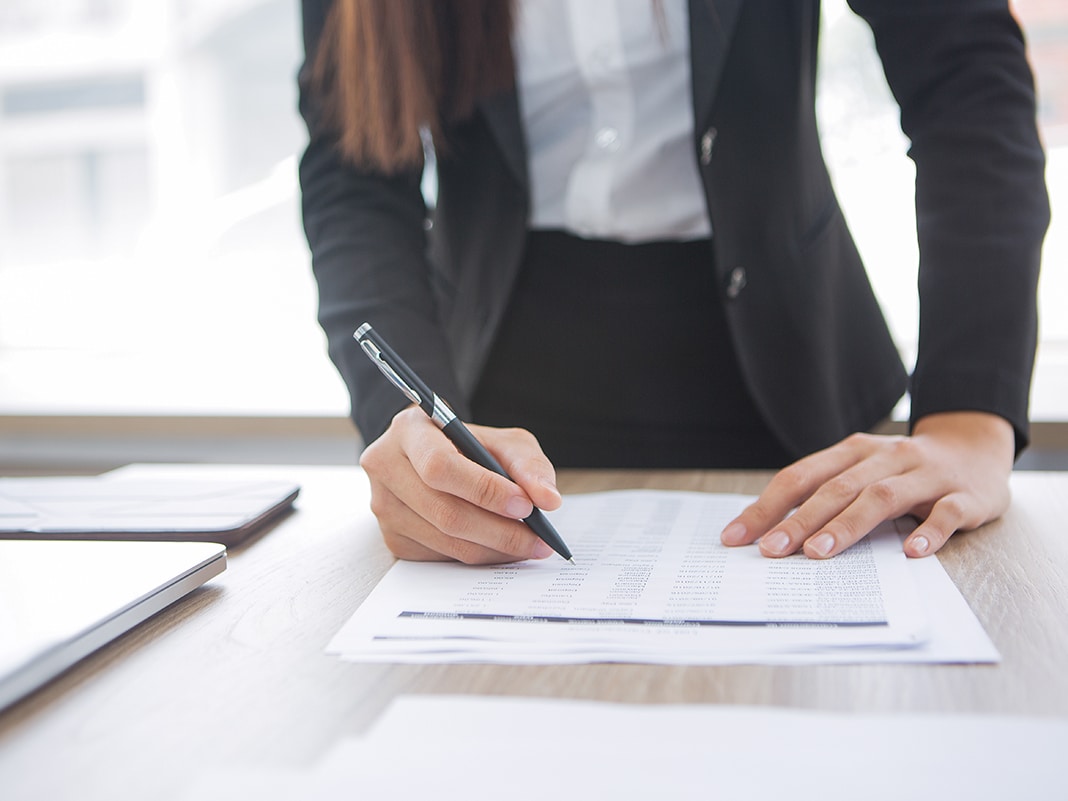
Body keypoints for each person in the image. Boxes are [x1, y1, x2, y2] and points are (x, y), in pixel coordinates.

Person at [297, 0, 1049, 565]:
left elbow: (967, 84)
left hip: (787, 394)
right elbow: (354, 171)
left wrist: (968, 418)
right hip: (490, 408)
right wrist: (407, 423)